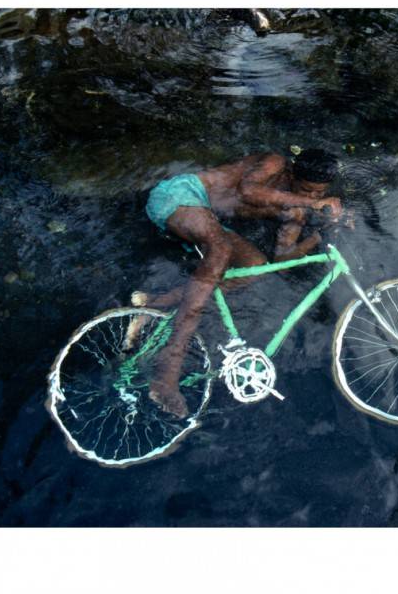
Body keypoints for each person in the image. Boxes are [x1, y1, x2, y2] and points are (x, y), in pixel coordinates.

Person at [138, 149, 343, 418]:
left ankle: (153, 304)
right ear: (292, 174)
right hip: (179, 197)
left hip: (204, 220)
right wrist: (310, 203)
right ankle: (168, 371)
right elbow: (248, 191)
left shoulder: (297, 209)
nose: (311, 197)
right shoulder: (275, 163)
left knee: (255, 266)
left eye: (318, 194)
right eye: (306, 189)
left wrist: (319, 234)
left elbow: (283, 256)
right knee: (220, 251)